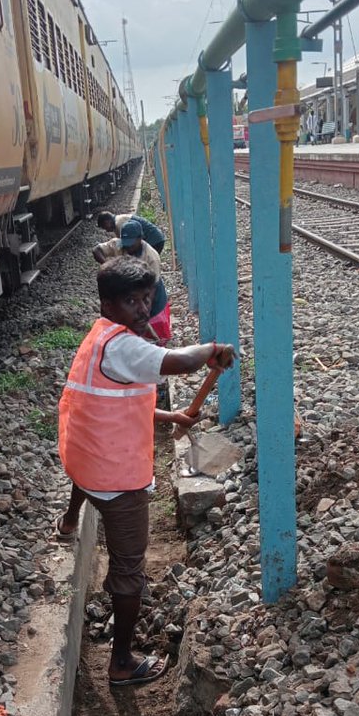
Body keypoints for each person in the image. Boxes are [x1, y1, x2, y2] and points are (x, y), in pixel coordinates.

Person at [57, 257, 235, 688]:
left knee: (86, 488)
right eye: (130, 301)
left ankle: (66, 522)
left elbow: (115, 400)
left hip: (82, 459)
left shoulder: (100, 338)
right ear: (107, 303)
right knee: (129, 569)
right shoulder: (126, 346)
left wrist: (171, 416)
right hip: (115, 476)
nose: (141, 309)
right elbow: (178, 361)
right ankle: (120, 663)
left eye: (145, 299)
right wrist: (211, 350)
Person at [92, 218, 171, 342]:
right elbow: (97, 250)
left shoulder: (151, 257)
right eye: (125, 243)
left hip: (151, 295)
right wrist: (108, 265)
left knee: (155, 330)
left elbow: (150, 291)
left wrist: (144, 318)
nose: (127, 247)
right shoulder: (118, 244)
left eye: (131, 243)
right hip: (128, 293)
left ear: (141, 238)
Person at [96, 211, 166, 255]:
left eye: (104, 227)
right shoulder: (117, 223)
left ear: (107, 222)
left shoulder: (120, 223)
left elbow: (126, 245)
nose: (106, 230)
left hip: (154, 240)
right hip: (155, 239)